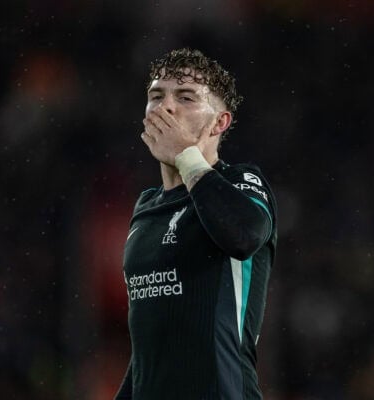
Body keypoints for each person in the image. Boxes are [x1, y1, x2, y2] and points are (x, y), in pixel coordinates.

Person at [114, 48, 277, 400]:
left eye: (185, 97)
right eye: (156, 96)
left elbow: (244, 235)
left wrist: (186, 155)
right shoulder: (146, 206)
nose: (165, 107)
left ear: (220, 122)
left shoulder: (241, 182)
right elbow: (150, 350)